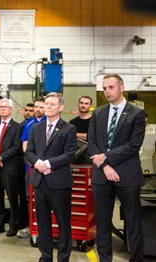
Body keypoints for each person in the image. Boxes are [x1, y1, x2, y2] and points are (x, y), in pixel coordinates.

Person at [88, 74, 146, 262]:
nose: (107, 91)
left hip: (127, 175)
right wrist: (105, 166)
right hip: (101, 175)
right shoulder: (98, 113)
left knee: (133, 221)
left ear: (122, 87)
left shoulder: (137, 114)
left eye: (111, 87)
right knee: (103, 223)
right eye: (104, 88)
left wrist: (106, 157)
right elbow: (92, 142)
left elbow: (133, 145)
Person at [25, 92, 76, 262]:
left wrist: (47, 164)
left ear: (60, 107)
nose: (48, 107)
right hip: (40, 183)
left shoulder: (68, 129)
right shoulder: (35, 128)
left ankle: (63, 258)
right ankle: (45, 256)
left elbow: (70, 154)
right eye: (46, 103)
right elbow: (29, 151)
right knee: (43, 224)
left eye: (52, 104)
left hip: (59, 183)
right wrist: (38, 163)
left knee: (63, 224)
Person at [0, 99, 27, 236]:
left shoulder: (17, 127)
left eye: (5, 107)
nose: (2, 109)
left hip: (10, 167)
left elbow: (16, 147)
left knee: (13, 198)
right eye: (0, 106)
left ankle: (14, 225)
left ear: (11, 109)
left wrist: (1, 158)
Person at [18, 96, 46, 239]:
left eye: (42, 107)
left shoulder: (50, 122)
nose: (38, 109)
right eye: (36, 107)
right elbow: (25, 145)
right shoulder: (29, 124)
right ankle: (32, 227)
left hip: (48, 170)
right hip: (31, 169)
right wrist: (34, 162)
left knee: (46, 199)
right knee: (30, 199)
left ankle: (46, 228)